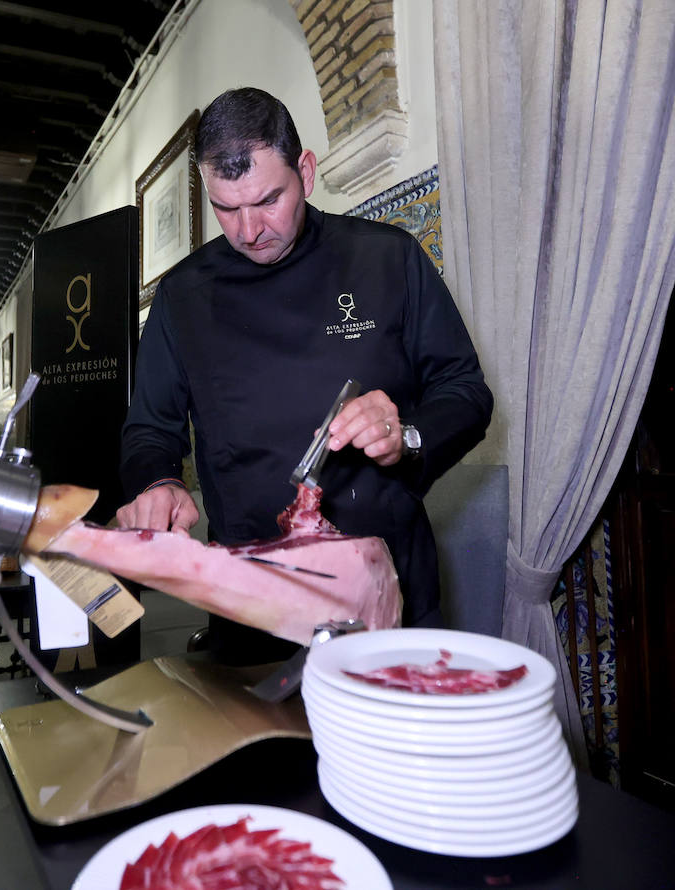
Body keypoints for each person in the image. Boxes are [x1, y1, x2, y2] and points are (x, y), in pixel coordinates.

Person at [116, 87, 493, 664]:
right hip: (251, 601)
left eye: (268, 200)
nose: (247, 230)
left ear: (307, 172)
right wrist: (155, 482)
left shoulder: (387, 258)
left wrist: (408, 433)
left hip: (387, 587)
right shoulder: (182, 296)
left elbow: (465, 392)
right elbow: (150, 429)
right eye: (226, 207)